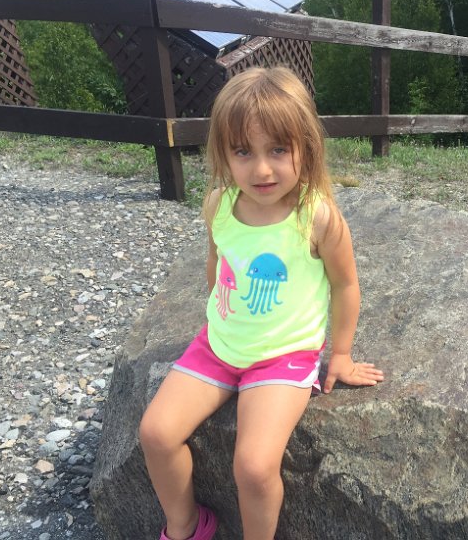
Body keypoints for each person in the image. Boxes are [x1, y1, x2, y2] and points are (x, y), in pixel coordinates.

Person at [138, 66, 384, 540]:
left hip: (283, 357)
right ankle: (187, 526)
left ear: (305, 147)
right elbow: (217, 263)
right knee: (156, 433)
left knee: (253, 466)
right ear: (223, 154)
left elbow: (345, 285)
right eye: (243, 151)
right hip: (218, 347)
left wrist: (341, 353)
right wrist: (222, 314)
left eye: (277, 150)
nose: (262, 169)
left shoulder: (317, 217)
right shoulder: (219, 204)